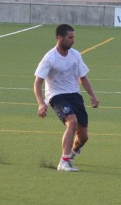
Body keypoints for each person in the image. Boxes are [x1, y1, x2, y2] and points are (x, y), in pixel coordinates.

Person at [34, 24, 99, 172]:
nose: (73, 40)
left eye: (73, 37)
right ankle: (63, 162)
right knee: (72, 122)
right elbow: (38, 82)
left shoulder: (76, 55)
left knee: (83, 137)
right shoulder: (50, 57)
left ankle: (70, 154)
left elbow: (83, 77)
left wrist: (92, 96)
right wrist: (41, 104)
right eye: (70, 37)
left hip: (74, 95)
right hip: (57, 96)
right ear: (60, 38)